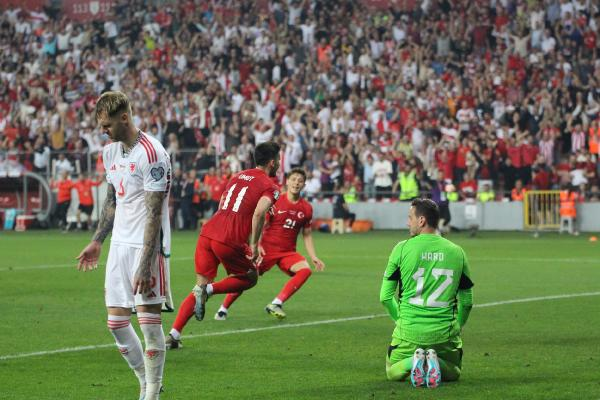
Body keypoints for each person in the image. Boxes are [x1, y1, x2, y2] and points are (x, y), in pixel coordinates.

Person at [75, 91, 172, 400]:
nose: (103, 131)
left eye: (107, 125)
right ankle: (145, 380)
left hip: (146, 247)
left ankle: (152, 394)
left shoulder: (152, 153)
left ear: (124, 118)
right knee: (116, 323)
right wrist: (97, 241)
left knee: (149, 325)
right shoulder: (110, 152)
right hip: (119, 245)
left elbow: (154, 213)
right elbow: (112, 201)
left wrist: (146, 263)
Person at [166, 141, 281, 349]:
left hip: (208, 232)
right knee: (250, 278)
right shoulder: (270, 186)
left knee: (198, 287)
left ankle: (173, 335)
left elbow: (223, 204)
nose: (280, 164)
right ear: (272, 162)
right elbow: (258, 213)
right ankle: (209, 290)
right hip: (228, 238)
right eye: (279, 160)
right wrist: (254, 244)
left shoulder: (237, 176)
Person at [380, 198, 474, 388]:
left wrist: (401, 321)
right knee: (455, 372)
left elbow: (385, 297)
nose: (408, 222)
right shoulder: (457, 252)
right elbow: (466, 302)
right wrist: (457, 326)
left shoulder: (401, 249)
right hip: (444, 335)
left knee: (392, 371)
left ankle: (413, 361)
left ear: (421, 220)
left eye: (410, 218)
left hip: (408, 333)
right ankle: (435, 361)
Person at [213, 168, 325, 321]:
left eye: (300, 181)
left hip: (287, 252)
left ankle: (276, 303)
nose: (296, 183)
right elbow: (260, 222)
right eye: (293, 179)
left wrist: (313, 256)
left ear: (304, 185)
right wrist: (257, 244)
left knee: (305, 270)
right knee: (245, 278)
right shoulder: (276, 201)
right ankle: (222, 309)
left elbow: (307, 234)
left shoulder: (306, 208)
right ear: (287, 182)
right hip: (266, 250)